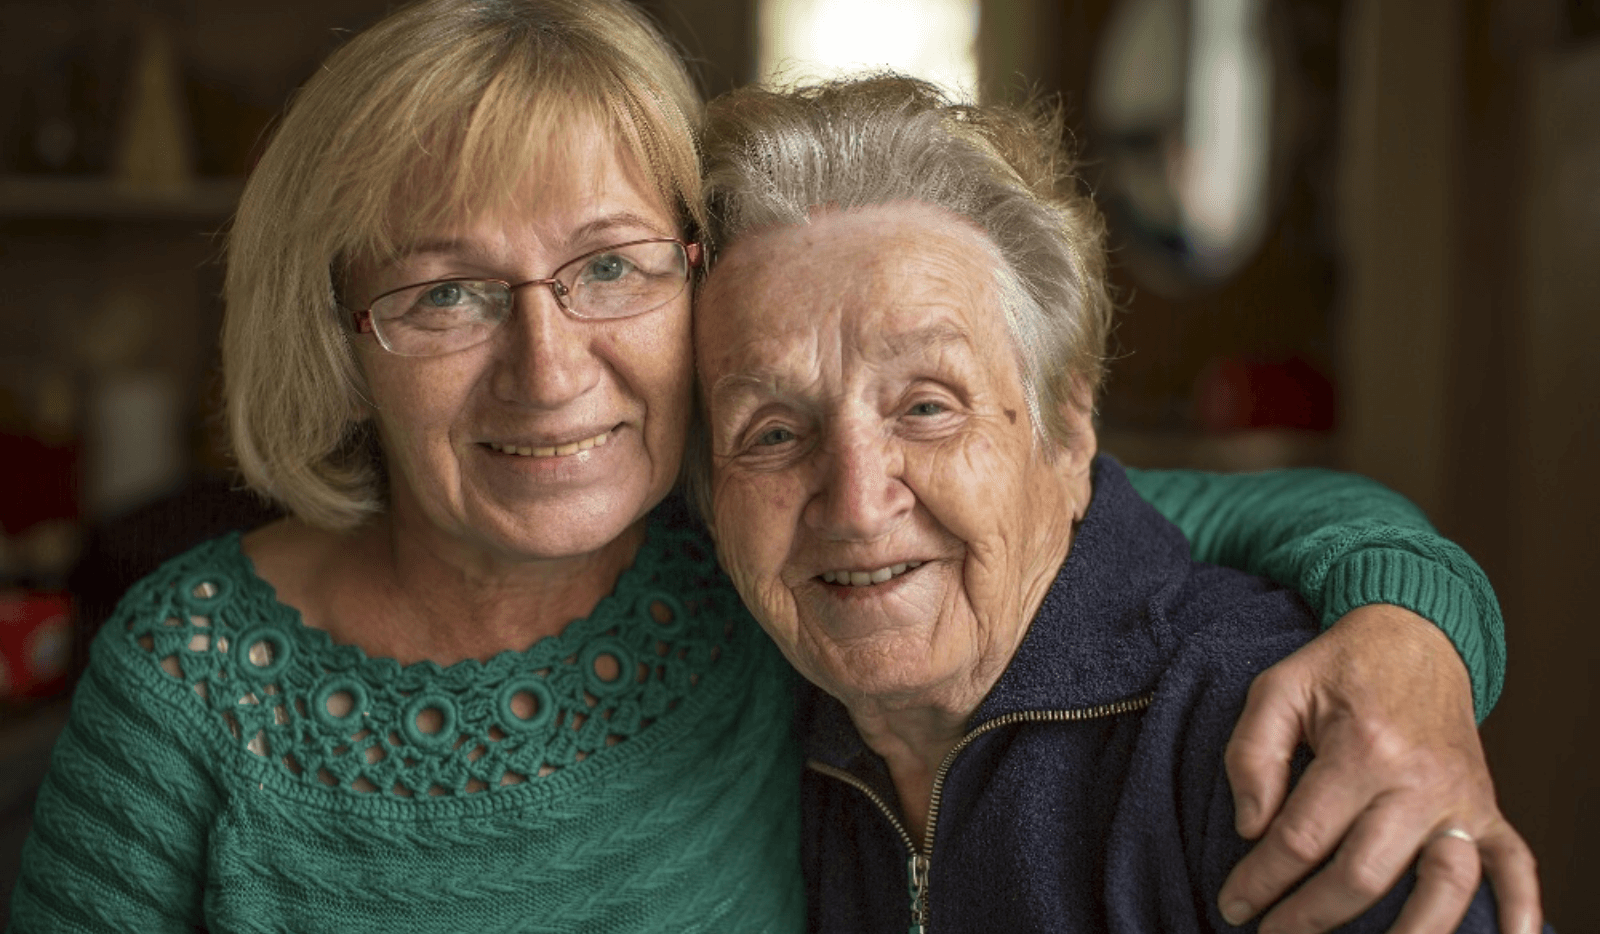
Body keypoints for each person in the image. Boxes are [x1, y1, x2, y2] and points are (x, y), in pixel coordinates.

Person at [6, 1, 1531, 931]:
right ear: (339, 333)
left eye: (609, 268)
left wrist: (1415, 642)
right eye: (445, 293)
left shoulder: (746, 550)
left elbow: (1246, 517)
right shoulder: (193, 675)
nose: (548, 370)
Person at [691, 75, 1543, 933]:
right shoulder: (732, 715)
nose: (856, 503)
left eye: (926, 407)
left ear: (1065, 429)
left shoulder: (1259, 731)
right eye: (770, 433)